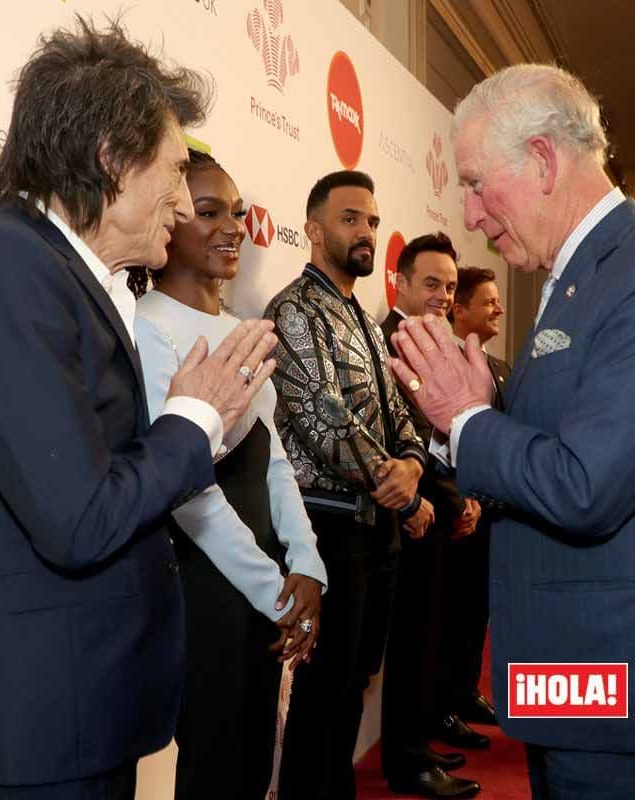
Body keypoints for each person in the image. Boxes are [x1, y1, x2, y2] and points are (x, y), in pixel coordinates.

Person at [0, 18, 277, 799]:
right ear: (111, 159)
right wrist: (193, 422)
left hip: (86, 706)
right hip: (50, 727)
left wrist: (197, 423)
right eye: (176, 173)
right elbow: (79, 518)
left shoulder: (65, 274)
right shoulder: (13, 268)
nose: (185, 205)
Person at [389, 63, 635, 799]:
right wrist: (475, 411)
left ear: (545, 161)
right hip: (567, 680)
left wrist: (468, 419)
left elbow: (585, 485)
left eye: (475, 183)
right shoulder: (580, 278)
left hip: (611, 685)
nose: (468, 215)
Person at [131, 149, 327, 800]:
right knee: (212, 763)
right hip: (200, 581)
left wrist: (306, 565)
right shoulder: (147, 328)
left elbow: (272, 459)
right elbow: (190, 492)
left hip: (265, 578)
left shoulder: (245, 328)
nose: (232, 226)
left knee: (253, 762)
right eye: (208, 211)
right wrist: (275, 590)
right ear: (170, 220)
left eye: (238, 212)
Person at [264, 170, 430, 800]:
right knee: (325, 689)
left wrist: (411, 467)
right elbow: (320, 420)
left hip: (374, 528)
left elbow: (400, 413)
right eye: (350, 218)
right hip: (325, 528)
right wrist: (404, 488)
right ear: (312, 229)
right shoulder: (294, 309)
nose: (365, 232)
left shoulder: (360, 314)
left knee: (353, 682)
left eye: (371, 221)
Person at [380, 232, 482, 799]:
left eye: (449, 285)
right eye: (431, 283)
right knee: (413, 639)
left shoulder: (435, 340)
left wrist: (465, 493)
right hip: (407, 515)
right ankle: (409, 760)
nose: (444, 295)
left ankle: (417, 744)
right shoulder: (394, 342)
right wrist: (447, 498)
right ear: (400, 282)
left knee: (430, 635)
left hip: (438, 508)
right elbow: (409, 440)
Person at [441, 266, 510, 730]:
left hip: (492, 516)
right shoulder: (442, 367)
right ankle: (441, 706)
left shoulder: (501, 369)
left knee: (474, 615)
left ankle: (464, 694)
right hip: (449, 513)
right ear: (458, 308)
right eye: (487, 301)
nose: (498, 308)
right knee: (446, 618)